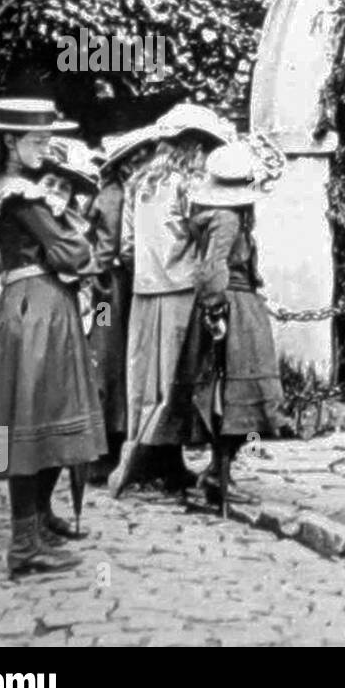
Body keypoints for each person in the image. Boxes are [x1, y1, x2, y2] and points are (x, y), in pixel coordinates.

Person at [0, 98, 106, 576]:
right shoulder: (20, 195)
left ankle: (40, 520)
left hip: (35, 305)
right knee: (28, 420)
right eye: (38, 141)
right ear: (10, 140)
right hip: (36, 308)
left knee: (43, 415)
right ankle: (25, 544)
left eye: (48, 140)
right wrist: (74, 230)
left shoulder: (16, 189)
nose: (46, 150)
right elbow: (70, 252)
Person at [115, 103, 231, 494]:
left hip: (144, 290)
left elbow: (127, 246)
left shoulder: (138, 183)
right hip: (181, 291)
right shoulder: (191, 186)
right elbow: (202, 241)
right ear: (193, 145)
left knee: (146, 379)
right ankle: (153, 464)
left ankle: (155, 460)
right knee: (179, 380)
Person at [170, 142, 286, 507]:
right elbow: (212, 267)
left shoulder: (217, 214)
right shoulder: (227, 218)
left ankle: (218, 474)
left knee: (230, 396)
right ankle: (218, 476)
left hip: (236, 303)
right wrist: (217, 310)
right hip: (232, 308)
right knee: (234, 396)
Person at [88, 126, 158, 481]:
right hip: (110, 289)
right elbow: (107, 249)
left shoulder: (114, 193)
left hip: (111, 285)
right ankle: (104, 445)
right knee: (108, 358)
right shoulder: (115, 195)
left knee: (111, 358)